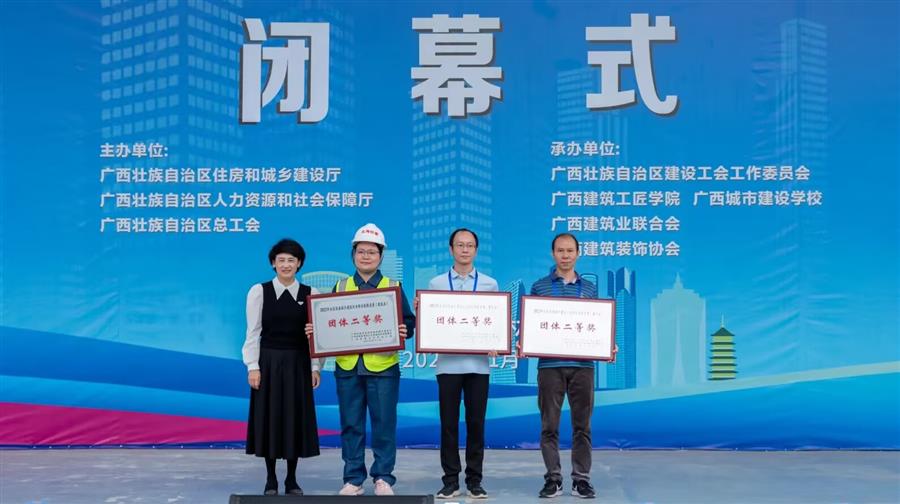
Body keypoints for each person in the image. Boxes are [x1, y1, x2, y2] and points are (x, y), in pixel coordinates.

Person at [306, 223, 416, 496]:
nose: (366, 256)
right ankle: (353, 478)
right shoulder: (341, 286)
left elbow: (409, 322)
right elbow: (328, 321)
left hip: (383, 367)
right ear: (353, 254)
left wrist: (405, 329)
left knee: (384, 425)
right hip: (348, 368)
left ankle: (383, 477)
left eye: (372, 252)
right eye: (361, 251)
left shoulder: (393, 286)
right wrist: (315, 329)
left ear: (381, 256)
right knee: (351, 425)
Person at [528, 233, 616, 499]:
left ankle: (581, 479)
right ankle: (553, 479)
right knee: (549, 426)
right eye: (560, 250)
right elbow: (533, 326)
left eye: (570, 251)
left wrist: (607, 345)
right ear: (553, 253)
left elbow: (597, 325)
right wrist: (526, 342)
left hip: (583, 367)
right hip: (550, 367)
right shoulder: (539, 287)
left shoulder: (589, 288)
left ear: (578, 253)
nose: (565, 255)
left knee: (582, 426)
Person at [242, 238, 321, 496]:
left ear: (299, 264)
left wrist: (315, 367)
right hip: (269, 363)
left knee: (294, 419)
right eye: (281, 260)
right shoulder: (259, 292)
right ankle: (271, 478)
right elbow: (253, 332)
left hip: (298, 363)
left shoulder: (311, 293)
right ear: (273, 264)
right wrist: (253, 366)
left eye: (291, 260)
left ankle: (292, 479)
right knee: (271, 418)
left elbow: (316, 336)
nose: (286, 264)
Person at [426, 228, 498, 500]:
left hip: (479, 367)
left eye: (469, 245)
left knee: (476, 424)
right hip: (448, 366)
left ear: (476, 250)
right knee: (448, 425)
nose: (465, 249)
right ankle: (450, 480)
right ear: (451, 249)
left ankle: (475, 481)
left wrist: (497, 341)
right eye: (460, 245)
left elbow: (495, 322)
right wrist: (423, 311)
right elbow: (430, 322)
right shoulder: (436, 284)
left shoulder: (490, 284)